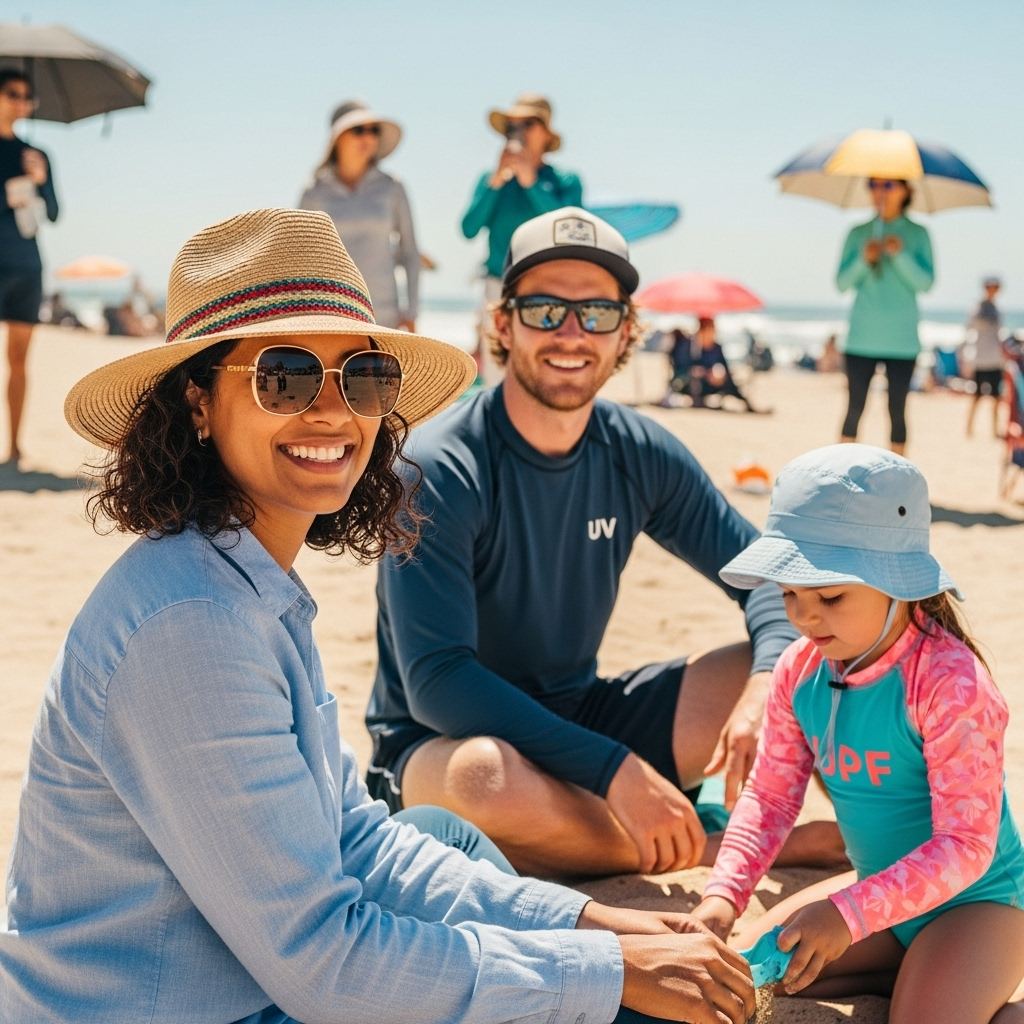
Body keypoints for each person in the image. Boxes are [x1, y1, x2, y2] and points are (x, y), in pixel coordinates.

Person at [0, 208, 757, 1024]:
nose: (332, 412)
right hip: (181, 1005)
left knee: (442, 835)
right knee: (624, 999)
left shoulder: (243, 579)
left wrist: (591, 920)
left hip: (251, 972)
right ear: (198, 403)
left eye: (361, 378)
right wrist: (608, 970)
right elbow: (326, 965)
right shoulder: (190, 624)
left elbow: (355, 838)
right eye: (284, 376)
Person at [367, 207, 846, 878]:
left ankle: (902, 845)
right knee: (484, 781)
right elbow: (437, 682)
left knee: (822, 662)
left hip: (580, 713)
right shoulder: (437, 468)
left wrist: (768, 683)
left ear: (626, 333)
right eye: (544, 310)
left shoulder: (636, 450)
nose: (571, 333)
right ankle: (714, 848)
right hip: (442, 744)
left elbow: (771, 580)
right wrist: (615, 770)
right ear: (501, 324)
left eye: (596, 313)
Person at [693, 444, 1024, 1023]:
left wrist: (846, 915)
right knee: (747, 969)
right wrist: (722, 896)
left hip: (978, 904)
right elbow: (770, 798)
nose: (803, 617)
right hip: (880, 898)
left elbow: (968, 846)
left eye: (830, 596)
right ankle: (923, 968)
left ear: (900, 582)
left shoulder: (950, 682)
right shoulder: (800, 669)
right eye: (789, 593)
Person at [461, 94, 582, 383]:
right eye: (511, 126)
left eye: (526, 124)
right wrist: (495, 182)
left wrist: (531, 183)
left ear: (546, 133)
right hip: (497, 287)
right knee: (496, 372)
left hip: (547, 286)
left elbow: (570, 231)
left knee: (540, 369)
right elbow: (468, 229)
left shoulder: (565, 181)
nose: (518, 132)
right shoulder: (491, 180)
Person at [299, 100, 419, 330]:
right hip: (329, 316)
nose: (369, 138)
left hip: (384, 316)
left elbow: (410, 252)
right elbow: (302, 259)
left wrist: (412, 313)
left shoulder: (392, 187)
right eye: (358, 130)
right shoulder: (313, 191)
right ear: (337, 138)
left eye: (374, 130)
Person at [836, 178, 934, 455]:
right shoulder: (858, 233)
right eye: (873, 184)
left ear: (906, 190)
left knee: (897, 410)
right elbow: (842, 283)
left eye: (889, 185)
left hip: (902, 340)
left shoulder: (918, 233)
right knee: (854, 408)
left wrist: (900, 254)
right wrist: (863, 259)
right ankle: (842, 477)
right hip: (860, 337)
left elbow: (926, 283)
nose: (880, 191)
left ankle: (899, 485)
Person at [0, 70, 58, 464]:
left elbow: (53, 213)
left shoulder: (37, 154)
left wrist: (38, 178)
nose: (21, 102)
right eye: (12, 93)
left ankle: (15, 446)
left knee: (18, 363)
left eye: (27, 96)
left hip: (27, 266)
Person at [965, 275, 1006, 438]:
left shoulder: (997, 308)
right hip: (980, 359)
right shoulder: (977, 307)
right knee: (976, 397)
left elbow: (998, 334)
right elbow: (969, 329)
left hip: (995, 359)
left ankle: (995, 429)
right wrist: (965, 356)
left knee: (996, 397)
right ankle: (968, 428)